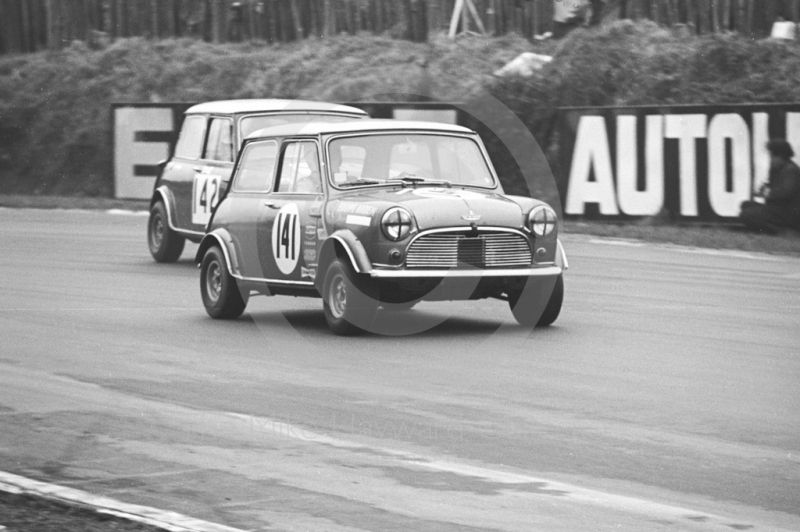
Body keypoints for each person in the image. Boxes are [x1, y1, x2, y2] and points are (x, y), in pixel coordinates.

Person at [739, 139, 800, 234]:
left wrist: (767, 192)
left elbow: (785, 192)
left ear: (780, 156)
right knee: (746, 205)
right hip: (779, 210)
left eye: (772, 156)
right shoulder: (779, 169)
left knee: (746, 214)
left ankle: (784, 232)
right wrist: (765, 188)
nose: (770, 159)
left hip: (790, 213)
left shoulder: (791, 170)